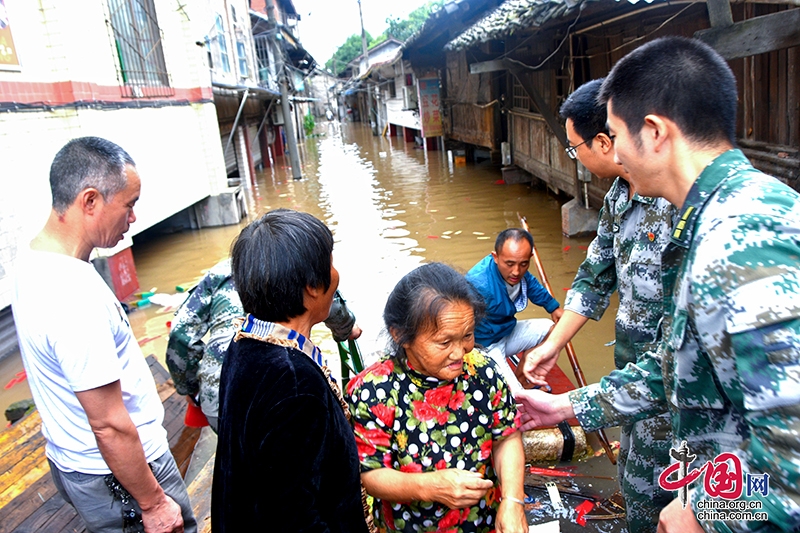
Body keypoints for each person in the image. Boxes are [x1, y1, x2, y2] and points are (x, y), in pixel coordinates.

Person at [520, 37, 800, 533]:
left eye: (613, 133)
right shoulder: (712, 220)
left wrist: (707, 513)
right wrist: (566, 405)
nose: (612, 151)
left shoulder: (744, 243)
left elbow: (792, 471)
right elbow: (677, 367)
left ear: (652, 131)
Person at [11, 137, 196, 533]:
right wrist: (152, 502)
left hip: (76, 462)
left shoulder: (32, 260)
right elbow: (108, 424)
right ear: (90, 201)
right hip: (121, 476)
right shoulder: (71, 296)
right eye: (129, 205)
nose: (133, 219)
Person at [518, 79, 675, 533]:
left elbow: (682, 357)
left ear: (605, 141)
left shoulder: (679, 206)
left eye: (574, 148)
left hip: (670, 393)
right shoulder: (618, 198)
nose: (576, 157)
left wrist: (571, 406)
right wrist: (553, 345)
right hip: (633, 383)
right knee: (639, 488)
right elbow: (593, 279)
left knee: (676, 503)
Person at [211, 209, 370, 533]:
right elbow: (294, 518)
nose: (336, 274)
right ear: (313, 286)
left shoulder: (245, 345)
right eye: (330, 263)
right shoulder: (296, 384)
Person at [347, 262, 527, 533]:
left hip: (484, 522)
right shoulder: (374, 391)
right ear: (401, 335)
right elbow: (371, 474)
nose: (460, 353)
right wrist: (431, 487)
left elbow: (507, 436)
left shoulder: (483, 370)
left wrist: (513, 501)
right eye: (444, 342)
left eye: (467, 335)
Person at [166, 257, 361, 432]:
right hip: (281, 397)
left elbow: (181, 335)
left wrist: (190, 388)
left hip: (218, 397)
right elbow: (329, 302)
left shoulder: (224, 270)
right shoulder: (298, 261)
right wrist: (347, 329)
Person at [466, 229, 562, 391]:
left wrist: (553, 307)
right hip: (485, 345)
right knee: (514, 396)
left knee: (553, 330)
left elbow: (531, 284)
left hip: (505, 332)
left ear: (529, 259)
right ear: (495, 257)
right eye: (509, 264)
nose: (516, 272)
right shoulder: (478, 283)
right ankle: (514, 385)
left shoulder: (518, 272)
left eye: (523, 264)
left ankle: (522, 378)